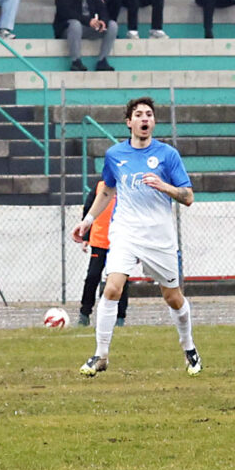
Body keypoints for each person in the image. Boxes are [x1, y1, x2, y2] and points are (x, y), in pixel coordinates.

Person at [70, 97, 199, 378]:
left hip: (159, 237)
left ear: (153, 122)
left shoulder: (167, 155)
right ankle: (100, 355)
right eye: (139, 114)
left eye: (149, 115)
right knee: (112, 289)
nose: (144, 119)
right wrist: (88, 222)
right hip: (125, 233)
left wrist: (164, 186)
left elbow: (188, 197)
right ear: (129, 122)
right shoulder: (115, 155)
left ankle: (188, 347)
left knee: (173, 298)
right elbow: (107, 190)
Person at [77, 180, 128, 328]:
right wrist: (85, 238)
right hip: (99, 241)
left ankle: (120, 317)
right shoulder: (100, 187)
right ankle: (84, 314)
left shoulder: (127, 187)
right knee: (92, 277)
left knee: (121, 280)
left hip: (121, 242)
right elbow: (88, 211)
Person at [53, 0, 117, 72]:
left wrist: (103, 21)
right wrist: (88, 21)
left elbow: (102, 9)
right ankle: (76, 61)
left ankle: (102, 60)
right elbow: (66, 12)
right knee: (75, 24)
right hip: (68, 29)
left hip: (89, 27)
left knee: (113, 25)